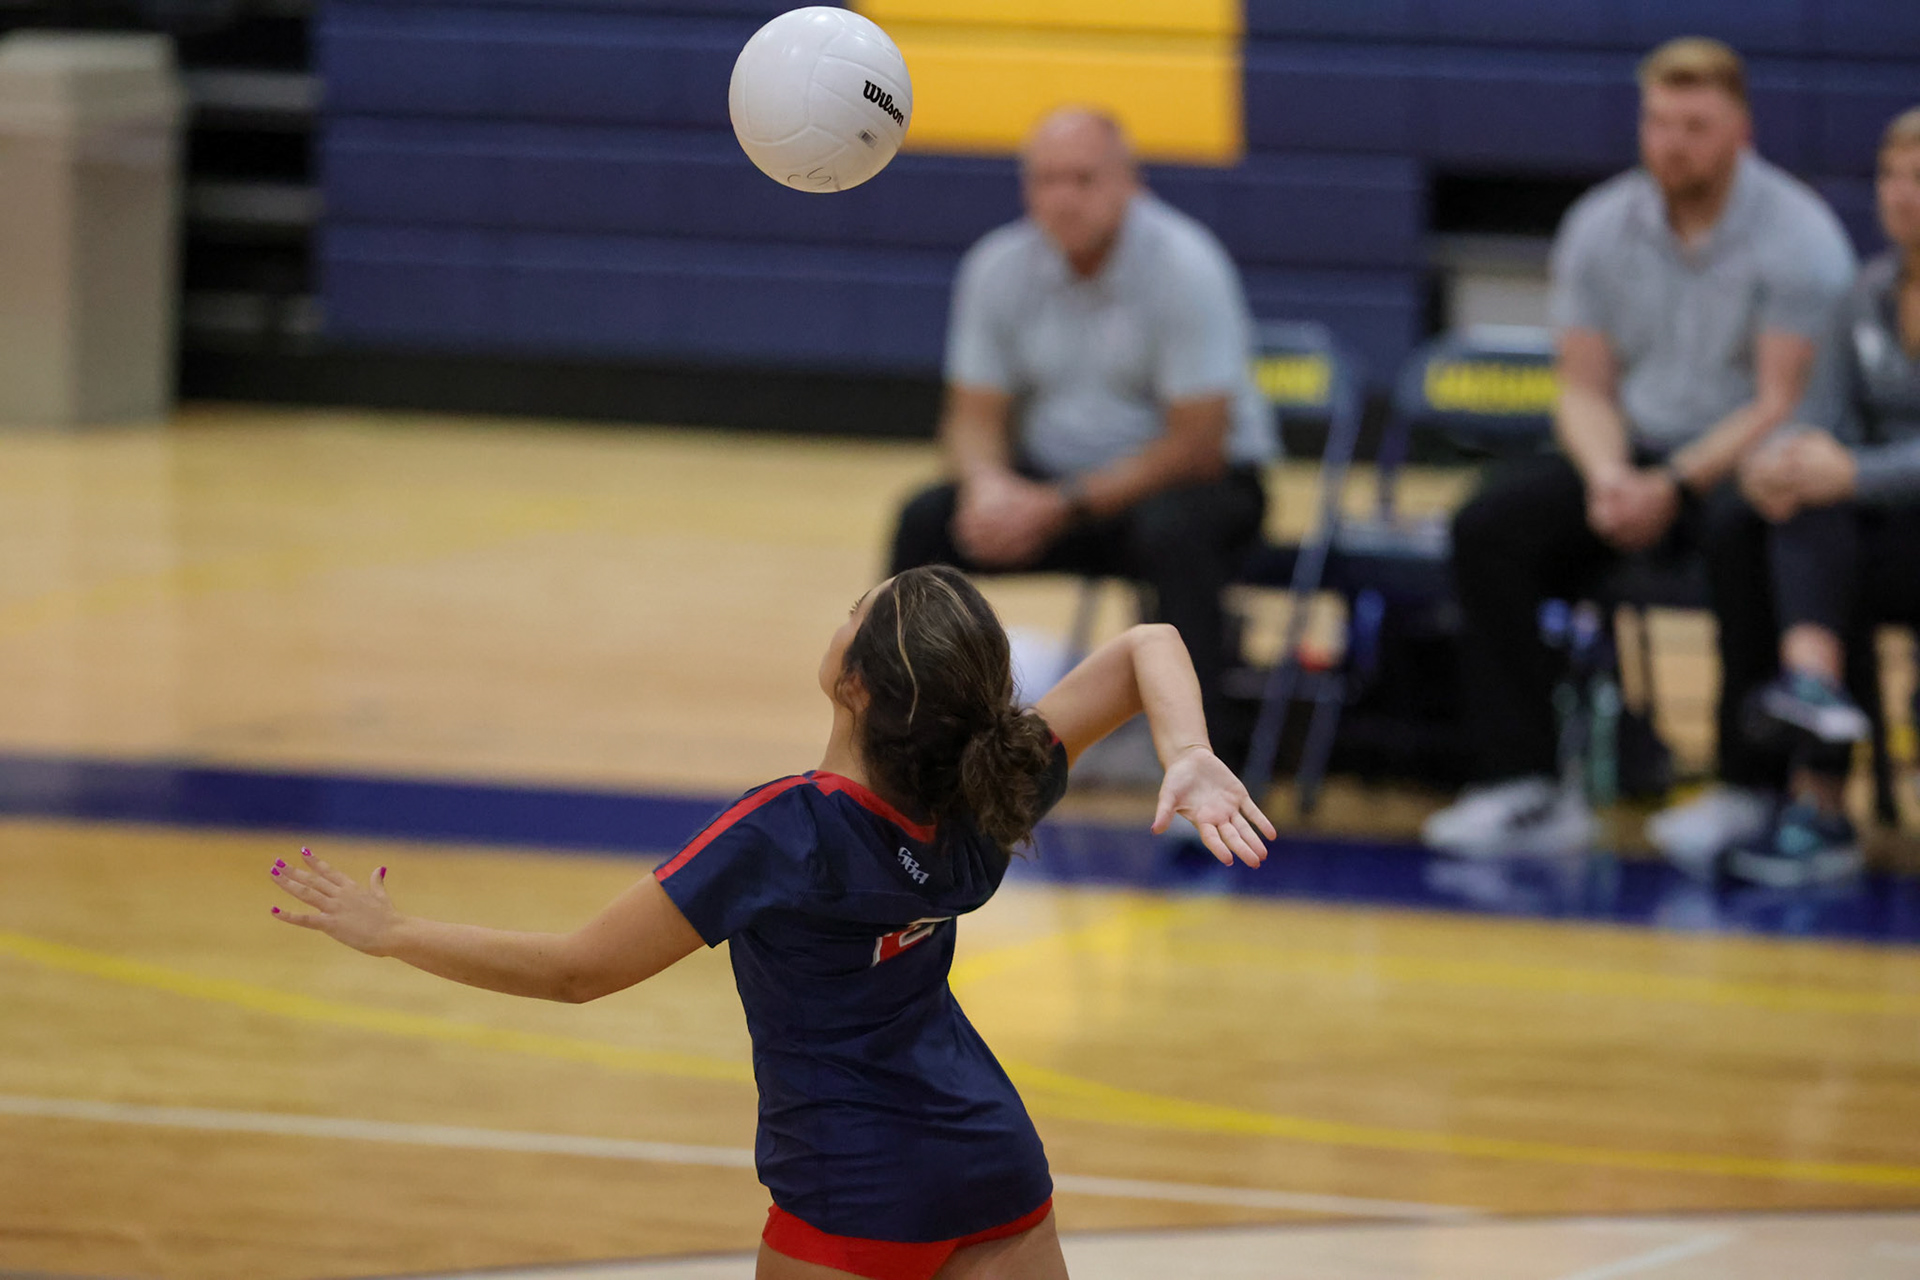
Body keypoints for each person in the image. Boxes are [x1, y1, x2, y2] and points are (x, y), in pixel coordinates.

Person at [266, 565, 1275, 1280]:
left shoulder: (786, 829)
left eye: (852, 614)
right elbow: (1149, 645)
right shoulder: (990, 785)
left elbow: (578, 971)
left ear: (856, 686)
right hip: (994, 1171)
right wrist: (1187, 751)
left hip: (848, 1196)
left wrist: (393, 931)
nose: (842, 617)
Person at [1422, 37, 1857, 860]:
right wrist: (1610, 476)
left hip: (1743, 462)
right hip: (1633, 452)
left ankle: (1746, 786)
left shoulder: (1798, 235)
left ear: (1741, 131)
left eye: (1696, 126)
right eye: (1659, 123)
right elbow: (1582, 387)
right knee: (1490, 525)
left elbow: (1780, 402)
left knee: (1746, 531)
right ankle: (1526, 783)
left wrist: (1676, 486)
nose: (1673, 143)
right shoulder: (1600, 224)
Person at [888, 107, 1276, 744]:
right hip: (1055, 488)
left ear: (1130, 183)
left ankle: (1204, 757)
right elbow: (972, 416)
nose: (1063, 198)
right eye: (1047, 180)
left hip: (1187, 486)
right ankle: (909, 742)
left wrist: (1058, 505)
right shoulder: (998, 266)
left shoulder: (1186, 264)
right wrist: (988, 486)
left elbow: (1198, 446)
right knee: (926, 521)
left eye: (1083, 179)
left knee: (1173, 533)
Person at [1729, 106, 1920, 886]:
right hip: (1893, 531)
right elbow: (1821, 417)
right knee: (1798, 510)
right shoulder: (1866, 293)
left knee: (1834, 498)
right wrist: (1775, 463)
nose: (1902, 194)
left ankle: (1818, 700)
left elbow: (1854, 465)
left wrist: (1855, 474)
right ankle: (1817, 763)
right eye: (1890, 176)